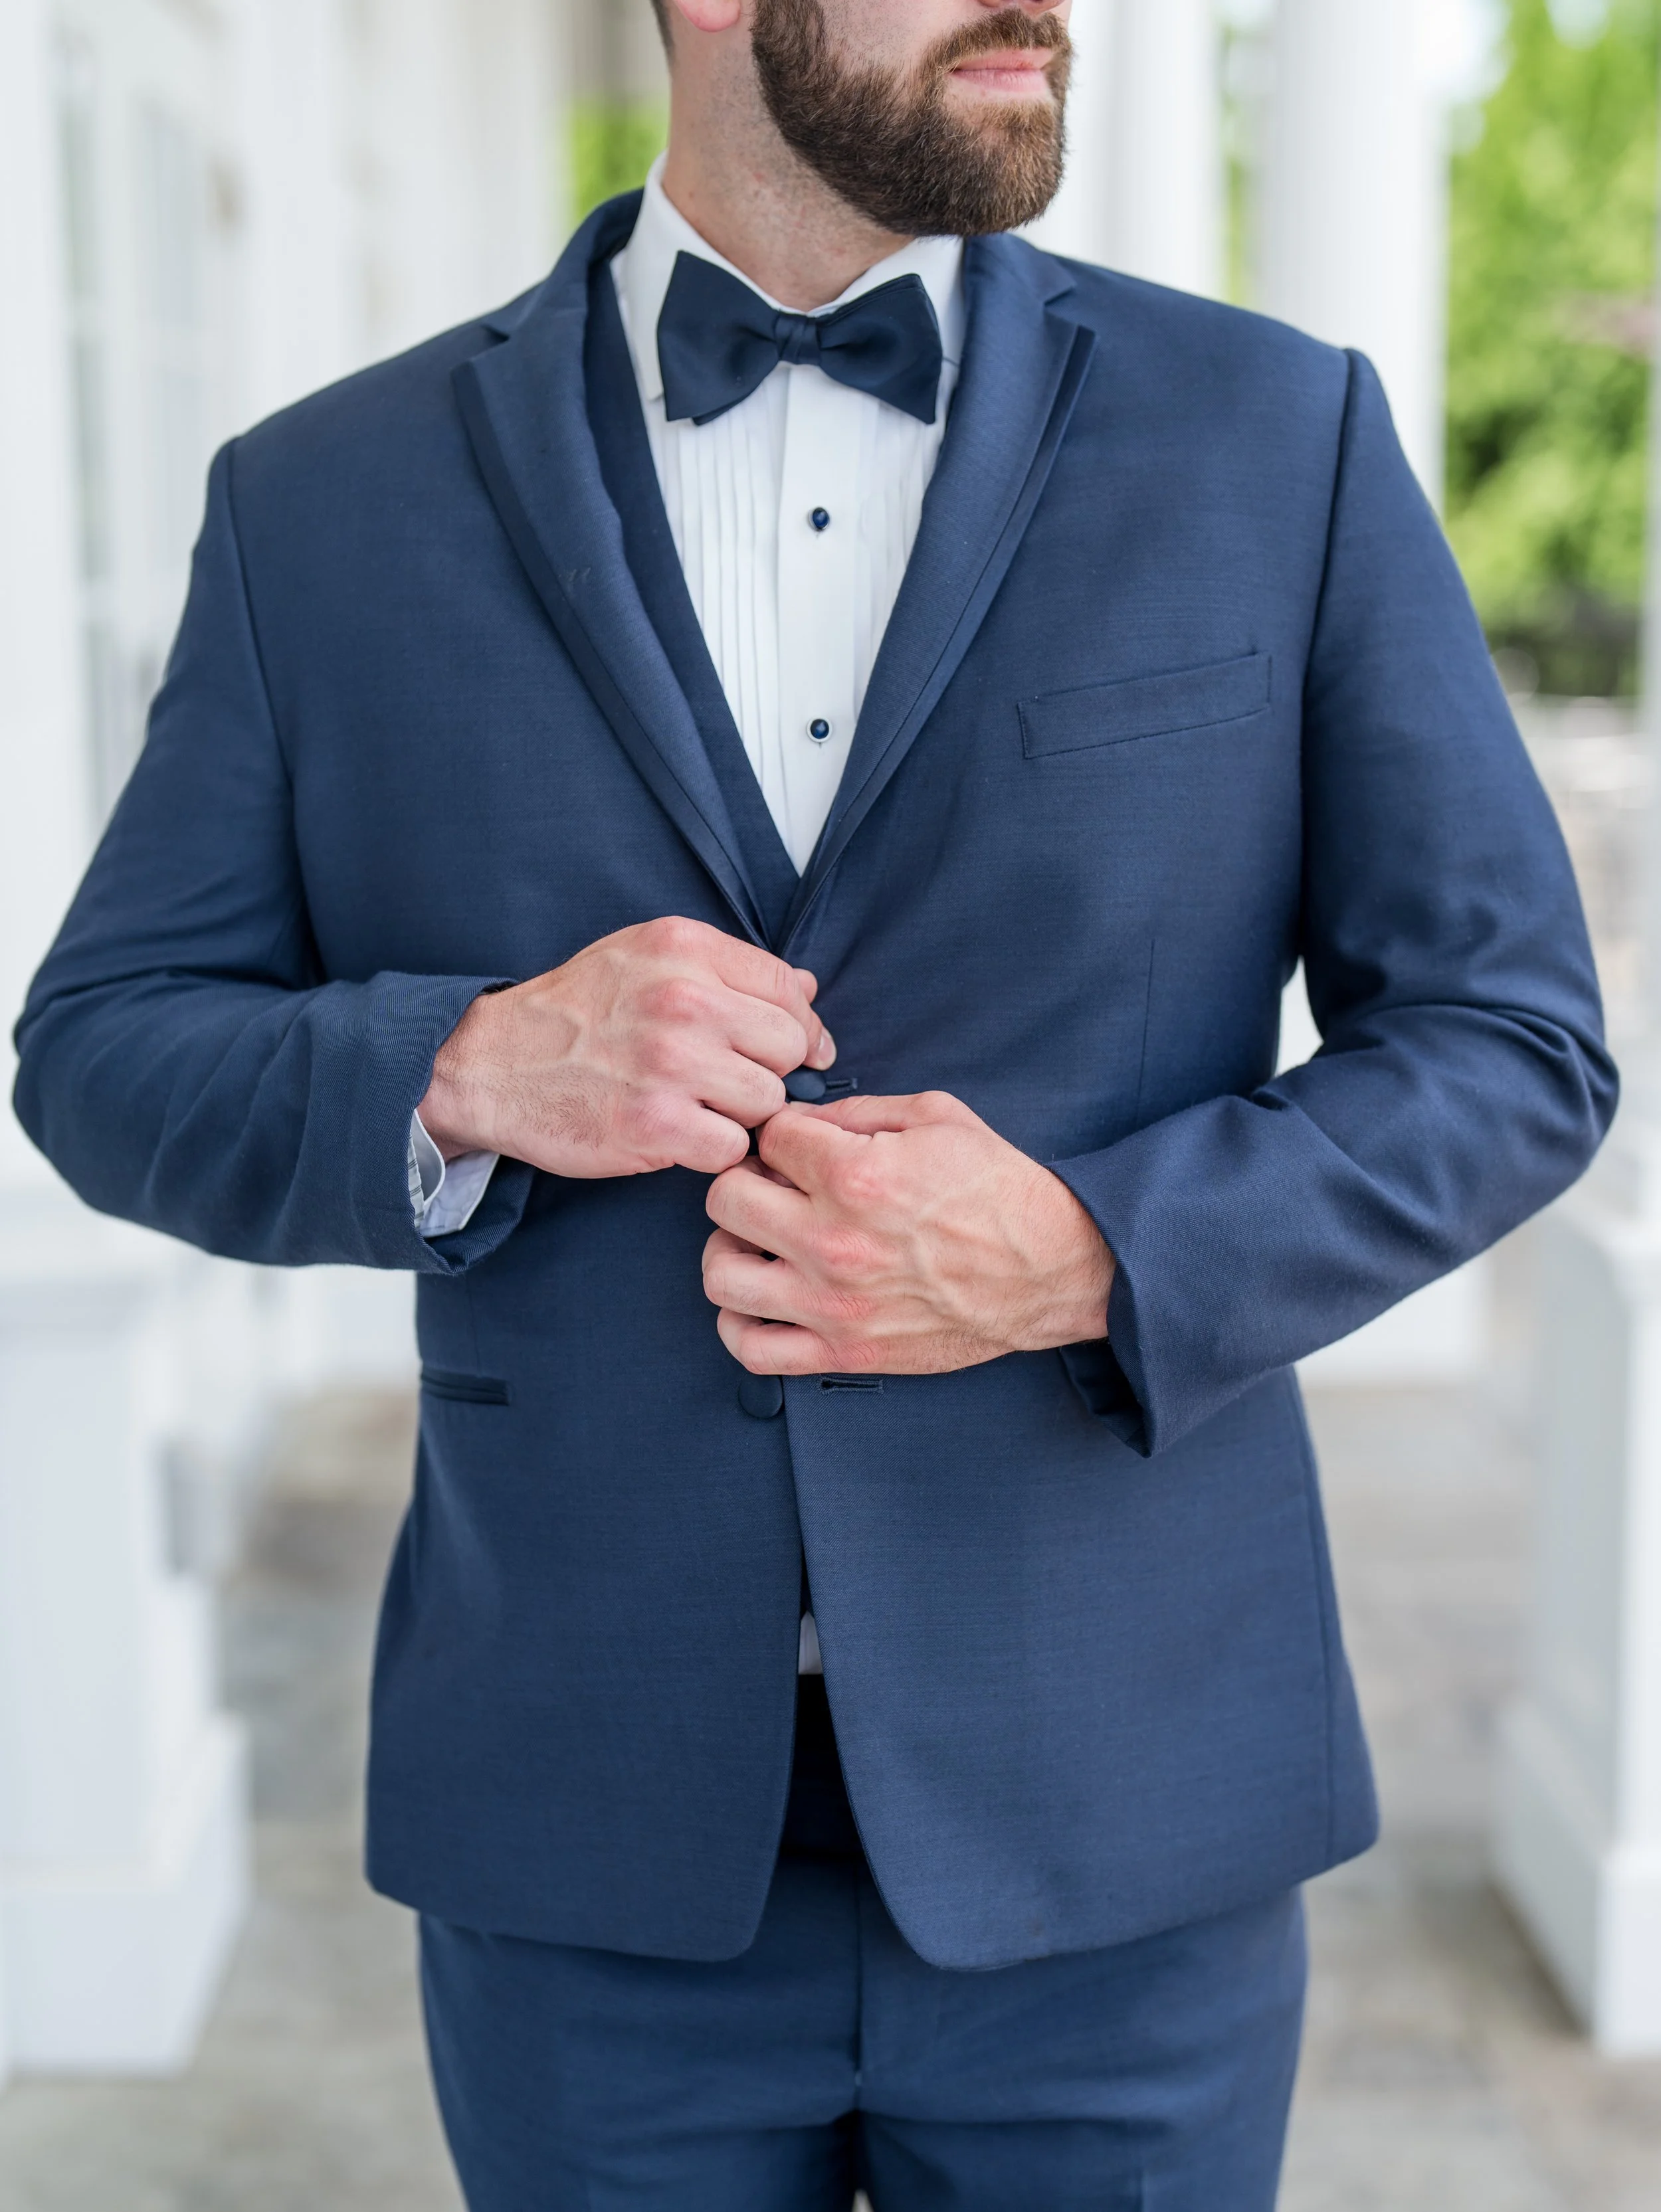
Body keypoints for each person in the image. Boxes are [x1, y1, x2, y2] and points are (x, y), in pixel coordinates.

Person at [15, 0, 1615, 2203]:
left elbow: (1512, 1039)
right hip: (584, 1830)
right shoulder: (322, 504)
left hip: (1118, 1822)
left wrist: (1085, 1250)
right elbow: (101, 1051)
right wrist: (468, 1065)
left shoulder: (1280, 440)